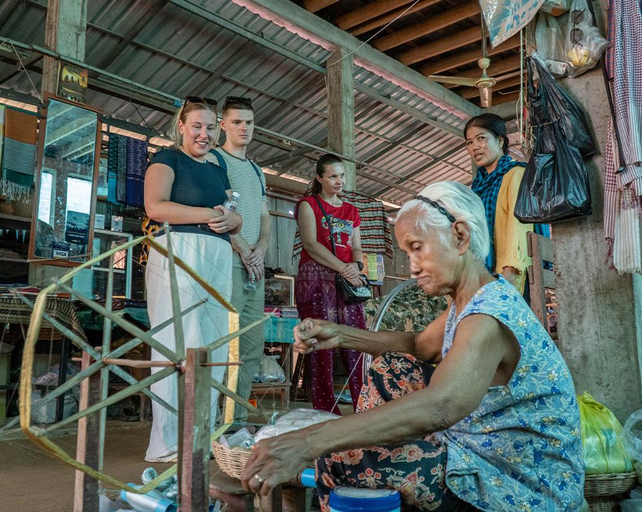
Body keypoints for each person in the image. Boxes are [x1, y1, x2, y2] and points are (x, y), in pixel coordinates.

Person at [242, 182, 584, 511]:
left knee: (338, 459)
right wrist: (342, 335)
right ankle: (384, 479)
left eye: (417, 248)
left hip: (520, 478)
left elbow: (441, 407)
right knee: (391, 368)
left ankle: (374, 485)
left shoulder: (488, 318)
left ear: (460, 237)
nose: (412, 266)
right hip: (477, 443)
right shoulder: (470, 298)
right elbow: (418, 345)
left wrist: (307, 442)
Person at [143, 96, 242, 462]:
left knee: (214, 345)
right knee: (178, 342)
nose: (204, 134)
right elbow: (155, 206)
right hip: (178, 252)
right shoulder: (167, 159)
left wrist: (235, 221)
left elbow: (234, 213)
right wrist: (208, 213)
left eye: (211, 127)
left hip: (217, 254)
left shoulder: (218, 167)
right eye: (197, 126)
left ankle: (202, 435)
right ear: (181, 126)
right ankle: (168, 443)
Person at [210, 96, 271, 426]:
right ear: (223, 124)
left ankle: (233, 424)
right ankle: (208, 422)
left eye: (248, 122)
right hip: (227, 266)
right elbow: (216, 215)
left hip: (254, 269)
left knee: (250, 349)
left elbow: (264, 216)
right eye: (236, 122)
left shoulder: (256, 170)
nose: (244, 127)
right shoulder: (214, 161)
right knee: (222, 348)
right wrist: (243, 248)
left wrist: (261, 246)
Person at [294, 154, 367, 415]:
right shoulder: (308, 204)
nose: (339, 181)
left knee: (356, 341)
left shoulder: (351, 211)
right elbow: (311, 244)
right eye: (333, 176)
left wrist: (356, 267)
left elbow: (357, 247)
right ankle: (325, 407)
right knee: (321, 343)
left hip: (346, 280)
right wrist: (343, 268)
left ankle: (364, 403)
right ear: (319, 178)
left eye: (342, 175)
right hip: (316, 278)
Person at [466, 113, 534, 295]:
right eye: (469, 142)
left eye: (481, 138)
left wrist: (510, 270)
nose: (475, 147)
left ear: (500, 141)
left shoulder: (516, 174)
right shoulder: (476, 187)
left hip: (510, 273)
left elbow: (518, 224)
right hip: (483, 276)